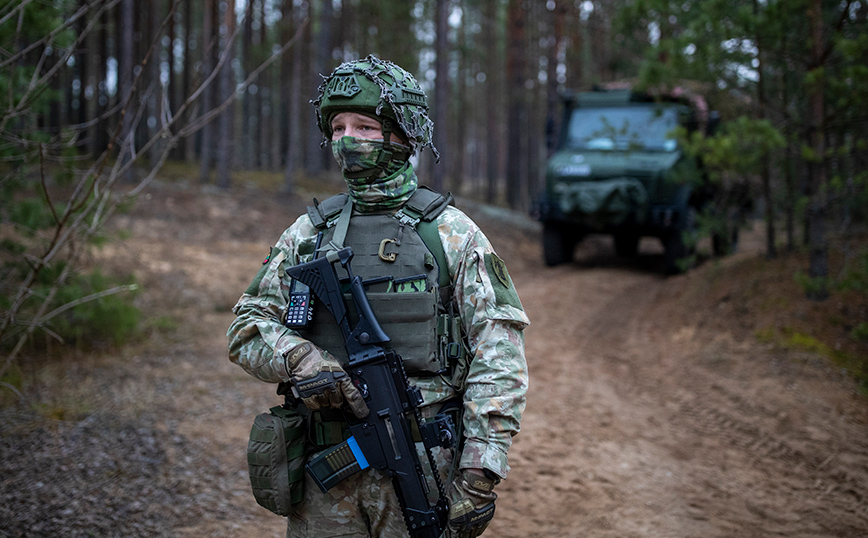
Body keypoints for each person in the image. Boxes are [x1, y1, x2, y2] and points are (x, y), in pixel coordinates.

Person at [227, 55, 529, 538]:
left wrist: (480, 470)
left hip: (424, 467)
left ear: (402, 135)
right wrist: (301, 358)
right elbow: (246, 327)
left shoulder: (451, 235)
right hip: (324, 472)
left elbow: (499, 354)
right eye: (339, 127)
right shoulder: (308, 234)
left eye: (365, 126)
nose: (348, 140)